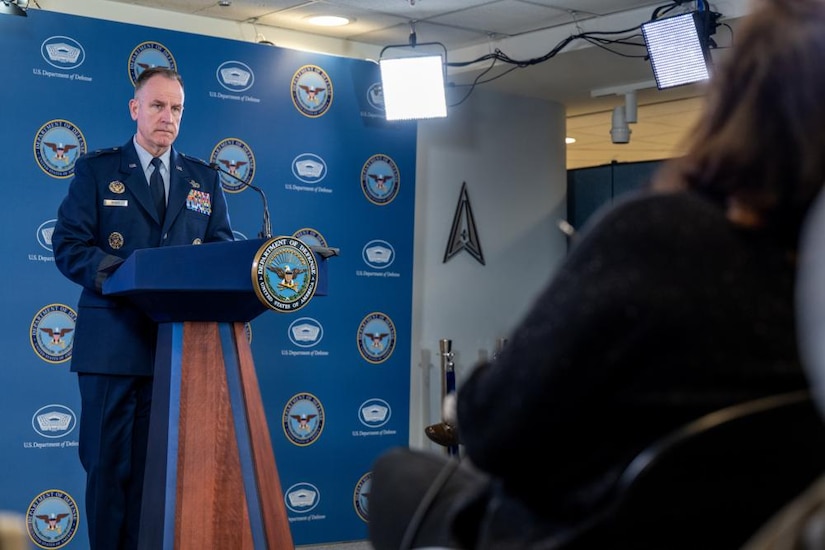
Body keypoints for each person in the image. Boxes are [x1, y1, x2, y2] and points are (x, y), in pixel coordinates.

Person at [369, 0, 825, 547]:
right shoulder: (805, 276)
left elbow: (492, 430)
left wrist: (469, 400)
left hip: (581, 531)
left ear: (736, 99)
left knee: (400, 476)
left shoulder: (660, 234)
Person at [51, 67, 234, 550]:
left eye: (176, 108)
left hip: (176, 353)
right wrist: (132, 276)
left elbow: (221, 254)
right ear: (135, 109)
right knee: (109, 470)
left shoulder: (204, 179)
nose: (167, 117)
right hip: (112, 349)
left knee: (159, 476)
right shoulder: (97, 170)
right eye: (157, 106)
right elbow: (69, 246)